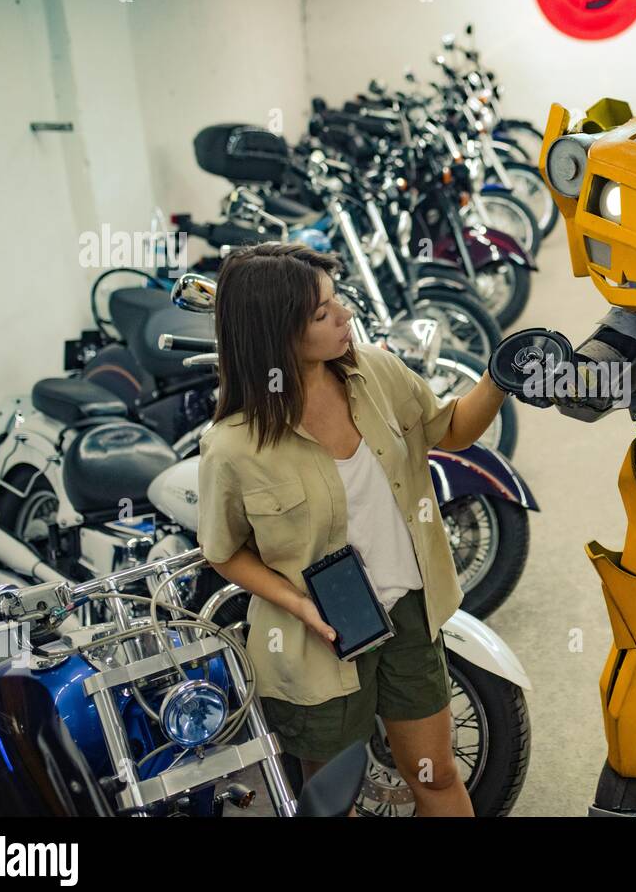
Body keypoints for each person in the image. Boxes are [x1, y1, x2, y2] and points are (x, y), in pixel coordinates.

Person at [196, 242, 506, 816]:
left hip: (409, 614)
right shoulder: (232, 446)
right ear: (274, 332)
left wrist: (499, 376)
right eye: (322, 313)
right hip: (319, 640)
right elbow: (223, 552)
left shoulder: (376, 372)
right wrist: (299, 603)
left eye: (337, 302)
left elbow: (450, 428)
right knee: (334, 801)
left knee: (436, 779)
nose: (344, 317)